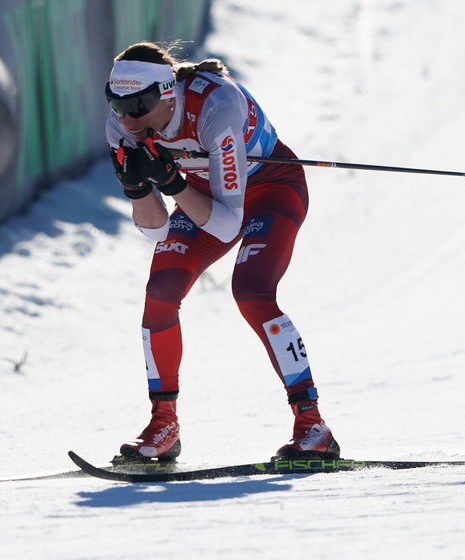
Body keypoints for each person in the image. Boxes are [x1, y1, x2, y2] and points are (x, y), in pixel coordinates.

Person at [105, 42, 340, 462]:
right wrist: (137, 187)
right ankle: (164, 424)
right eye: (117, 104)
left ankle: (313, 424)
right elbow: (156, 230)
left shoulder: (216, 103)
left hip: (269, 187)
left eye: (138, 105)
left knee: (251, 291)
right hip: (203, 196)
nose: (128, 118)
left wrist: (173, 183)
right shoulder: (123, 125)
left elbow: (229, 222)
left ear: (167, 91)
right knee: (161, 292)